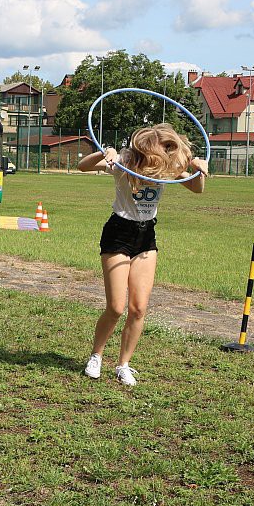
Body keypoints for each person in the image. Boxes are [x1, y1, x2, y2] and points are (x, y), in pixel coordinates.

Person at [78, 123, 208, 386]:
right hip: (119, 233)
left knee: (138, 309)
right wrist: (105, 152)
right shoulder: (125, 161)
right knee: (116, 307)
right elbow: (83, 166)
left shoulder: (167, 166)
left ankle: (123, 365)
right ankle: (96, 356)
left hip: (146, 236)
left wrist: (198, 169)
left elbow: (197, 188)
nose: (166, 154)